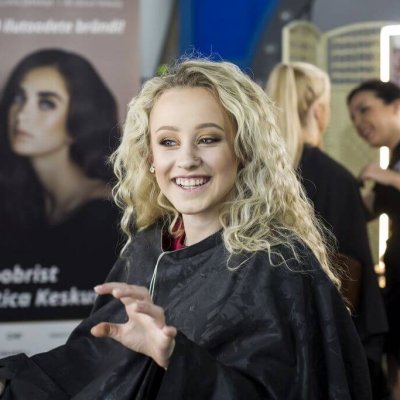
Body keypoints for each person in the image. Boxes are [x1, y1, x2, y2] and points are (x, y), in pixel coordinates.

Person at [0, 58, 371, 399]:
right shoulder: (146, 250)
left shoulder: (278, 264)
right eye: (168, 142)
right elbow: (92, 362)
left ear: (242, 150)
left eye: (208, 139)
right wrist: (12, 381)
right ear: (150, 157)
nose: (187, 160)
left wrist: (174, 356)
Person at [266, 62, 388, 398]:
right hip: (328, 345)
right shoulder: (336, 179)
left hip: (268, 341)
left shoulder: (255, 176)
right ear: (320, 111)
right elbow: (353, 278)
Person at [0, 48, 122, 323]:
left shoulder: (108, 216)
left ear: (80, 116)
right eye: (18, 98)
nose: (21, 115)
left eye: (46, 103)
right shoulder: (20, 201)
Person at [347, 79, 400, 400]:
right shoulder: (391, 161)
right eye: (353, 117)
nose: (358, 122)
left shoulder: (388, 171)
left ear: (396, 106)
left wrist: (388, 177)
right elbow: (364, 211)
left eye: (365, 110)